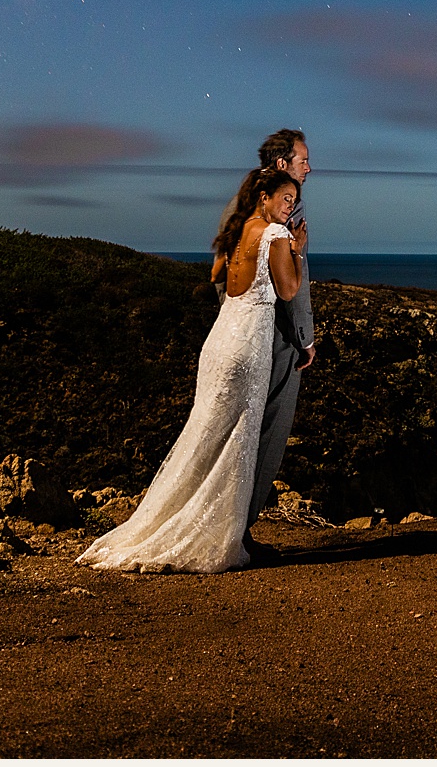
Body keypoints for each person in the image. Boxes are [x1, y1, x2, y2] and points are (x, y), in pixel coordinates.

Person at [77, 165, 302, 575]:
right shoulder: (275, 234)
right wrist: (297, 250)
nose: (291, 208)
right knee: (236, 439)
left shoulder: (237, 231)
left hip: (220, 338)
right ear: (264, 196)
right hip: (248, 343)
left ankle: (171, 522)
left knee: (203, 433)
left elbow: (217, 274)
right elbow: (288, 290)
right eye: (286, 199)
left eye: (294, 202)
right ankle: (216, 538)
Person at [248, 128, 314, 545]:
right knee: (267, 434)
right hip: (275, 338)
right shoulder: (279, 219)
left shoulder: (244, 207)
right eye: (302, 159)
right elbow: (293, 288)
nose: (309, 167)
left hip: (242, 332)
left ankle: (232, 527)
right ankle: (240, 530)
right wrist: (305, 338)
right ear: (281, 165)